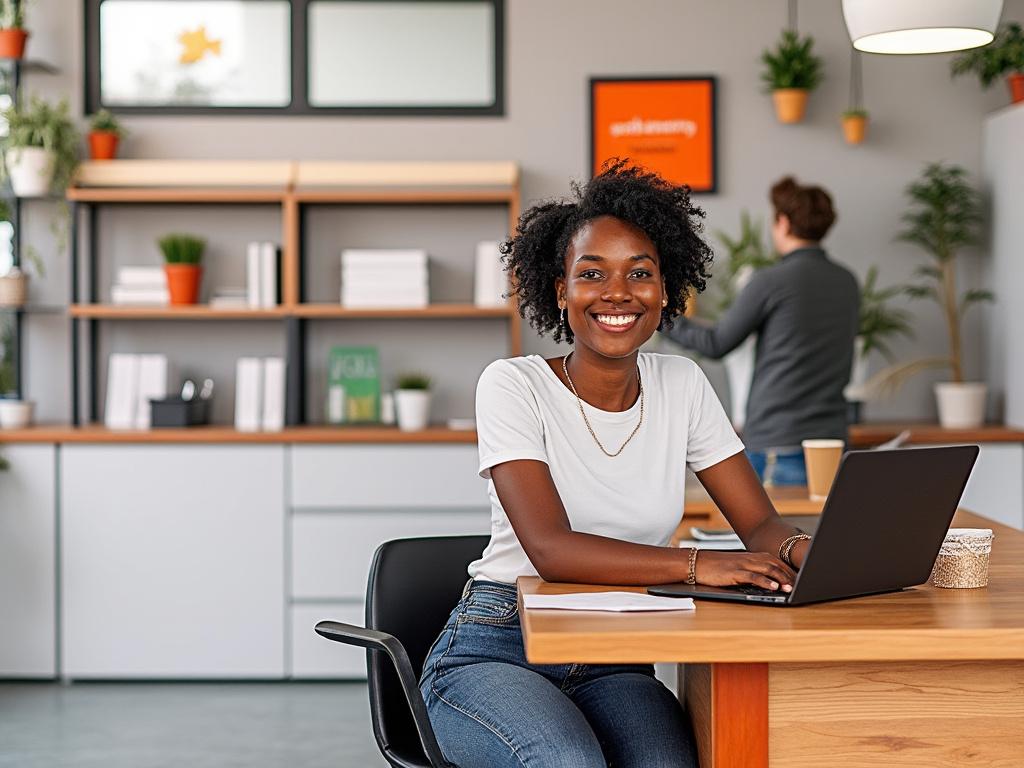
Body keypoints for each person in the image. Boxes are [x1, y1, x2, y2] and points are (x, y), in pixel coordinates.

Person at [418, 162, 813, 768]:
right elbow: (552, 550)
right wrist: (698, 565)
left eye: (641, 274)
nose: (618, 293)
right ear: (560, 291)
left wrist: (802, 551)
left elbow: (759, 526)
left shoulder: (682, 382)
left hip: (617, 651)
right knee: (565, 760)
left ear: (665, 288)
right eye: (592, 274)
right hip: (498, 645)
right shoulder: (512, 384)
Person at [662, 176, 860, 486]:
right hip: (832, 445)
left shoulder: (772, 281)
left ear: (782, 222)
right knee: (826, 534)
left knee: (773, 535)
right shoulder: (847, 281)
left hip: (777, 445)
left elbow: (716, 343)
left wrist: (660, 316)